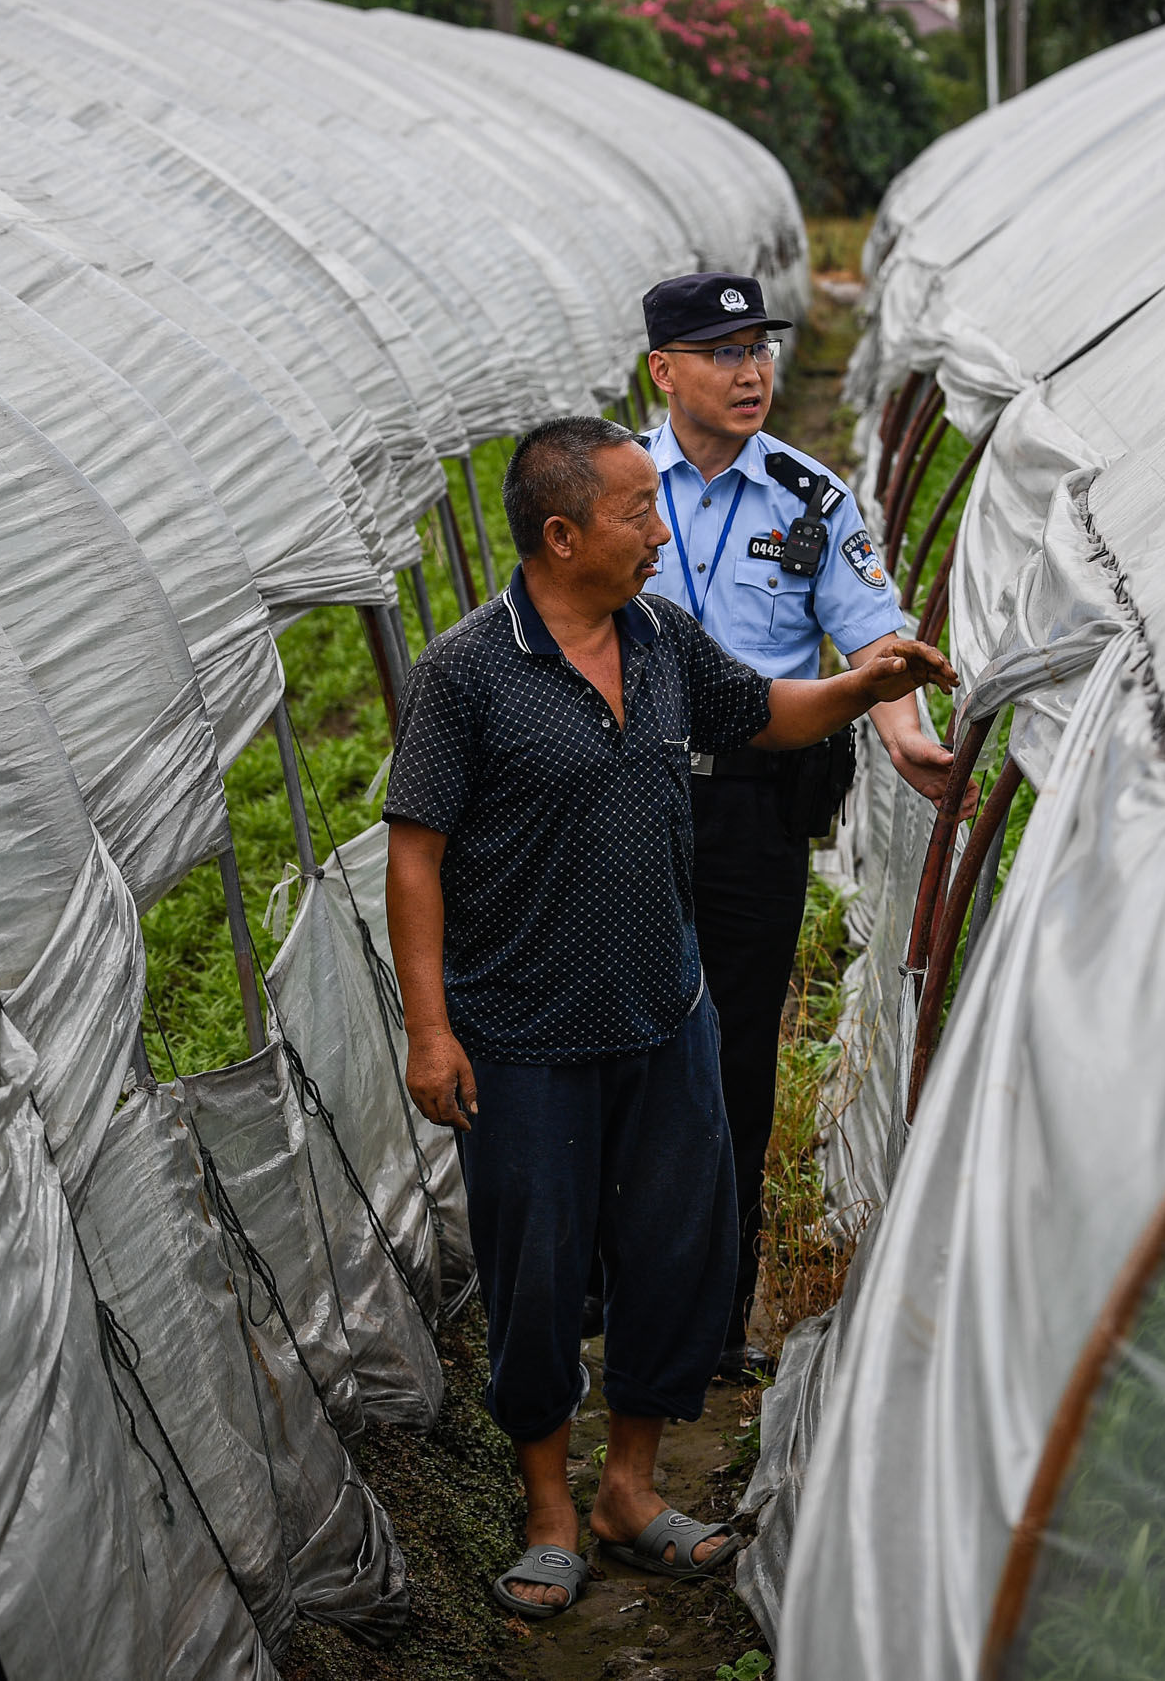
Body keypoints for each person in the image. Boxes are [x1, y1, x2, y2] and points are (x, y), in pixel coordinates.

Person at [383, 415, 954, 1620]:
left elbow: (764, 716)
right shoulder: (467, 673)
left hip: (663, 1011)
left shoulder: (659, 635)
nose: (660, 530)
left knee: (669, 1250)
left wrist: (864, 683)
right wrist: (430, 1031)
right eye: (638, 511)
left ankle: (628, 1490)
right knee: (535, 1273)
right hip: (524, 1031)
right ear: (560, 534)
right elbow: (417, 858)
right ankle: (548, 1510)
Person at [633, 270, 963, 1383]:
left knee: (732, 1046)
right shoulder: (615, 484)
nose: (752, 370)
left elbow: (875, 635)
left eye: (759, 349)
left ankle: (716, 1314)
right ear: (662, 370)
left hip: (752, 802)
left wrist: (907, 731)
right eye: (721, 352)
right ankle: (610, 1283)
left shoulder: (806, 495)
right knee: (619, 1030)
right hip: (622, 799)